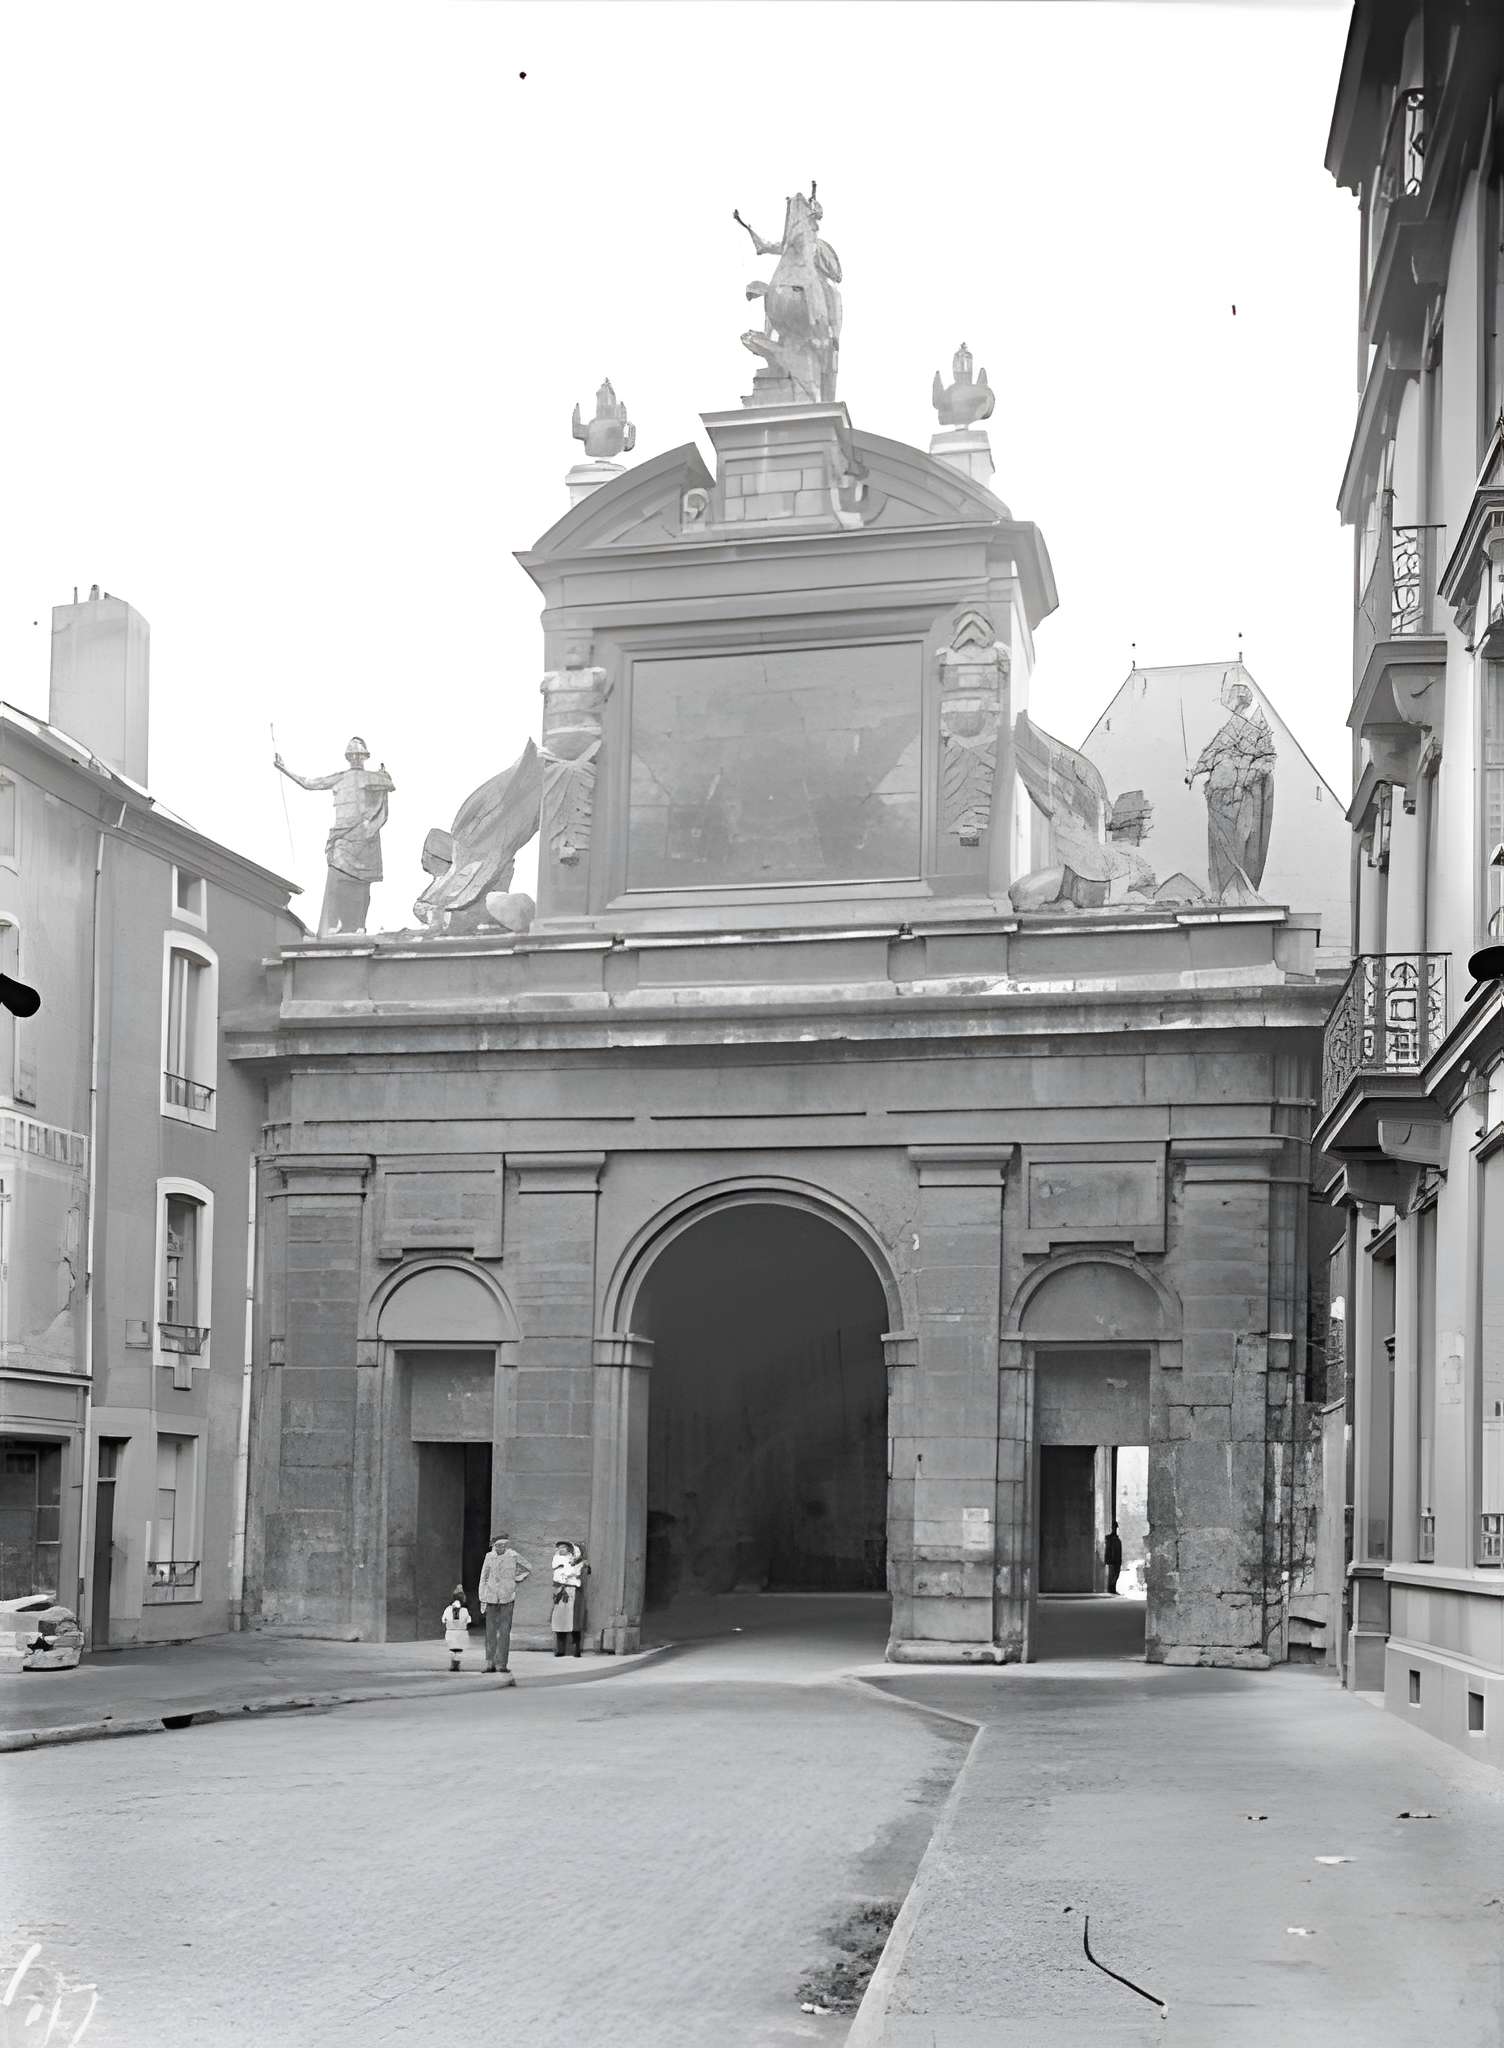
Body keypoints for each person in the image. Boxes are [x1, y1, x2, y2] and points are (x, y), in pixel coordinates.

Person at [478, 1532, 532, 1674]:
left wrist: (515, 1579)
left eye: (503, 1545)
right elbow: (483, 1577)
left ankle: (502, 1664)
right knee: (490, 1631)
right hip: (491, 1597)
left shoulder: (513, 1555)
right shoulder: (489, 1556)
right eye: (497, 1545)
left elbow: (527, 1567)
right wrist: (482, 1597)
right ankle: (490, 1663)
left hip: (507, 1598)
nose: (500, 1547)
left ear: (506, 1545)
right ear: (494, 1546)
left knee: (504, 1632)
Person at [550, 1539, 590, 1658]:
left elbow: (573, 1572)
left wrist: (577, 1563)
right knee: (559, 1621)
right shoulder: (557, 1560)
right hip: (561, 1592)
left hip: (573, 1591)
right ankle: (560, 1649)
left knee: (574, 1621)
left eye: (563, 1547)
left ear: (568, 1550)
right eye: (559, 1548)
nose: (560, 1549)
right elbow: (559, 1574)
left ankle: (576, 1649)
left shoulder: (575, 1561)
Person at [441, 1585, 471, 1673]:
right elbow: (469, 1620)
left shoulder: (447, 1609)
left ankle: (453, 1664)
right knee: (459, 1650)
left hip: (450, 1632)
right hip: (461, 1632)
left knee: (452, 1649)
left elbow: (443, 1620)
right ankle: (456, 1665)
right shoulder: (465, 1610)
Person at [1105, 1523, 1124, 1596]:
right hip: (1112, 1562)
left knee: (1115, 1576)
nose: (1115, 1529)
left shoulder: (1117, 1540)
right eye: (1114, 1527)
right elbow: (1109, 1551)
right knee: (1112, 1576)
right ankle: (1111, 1589)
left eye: (1115, 1528)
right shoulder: (1110, 1539)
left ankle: (1112, 1589)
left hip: (1116, 1561)